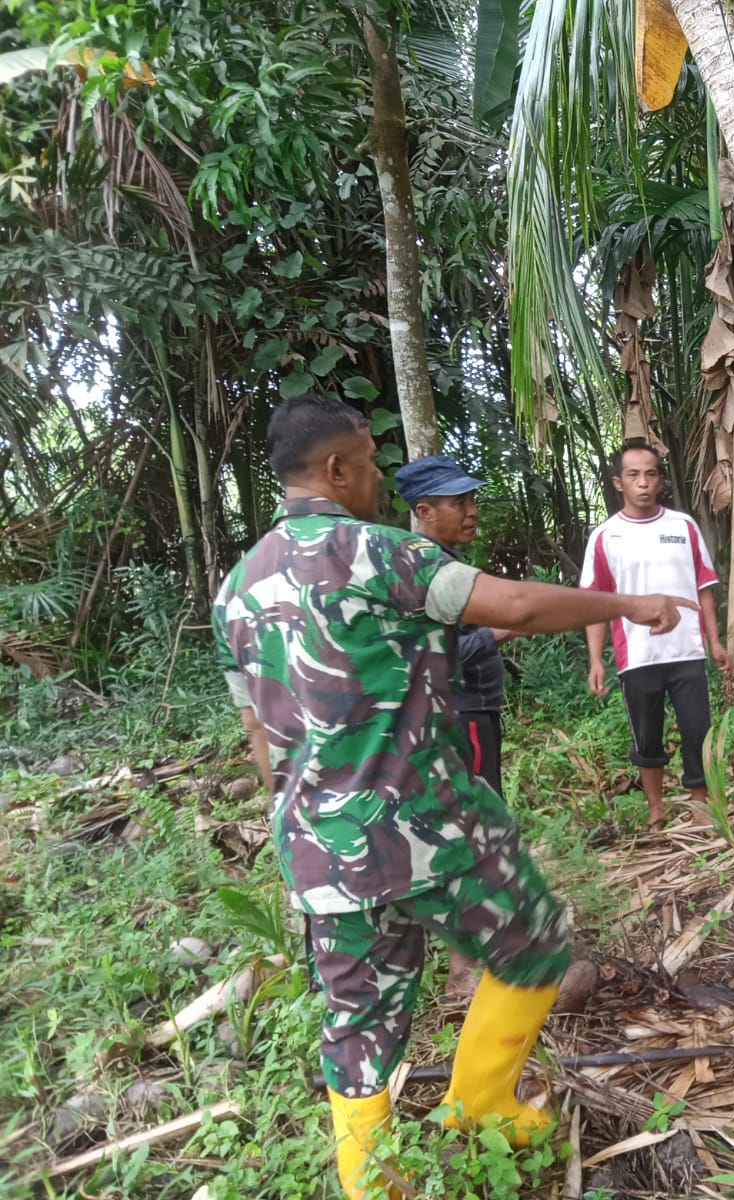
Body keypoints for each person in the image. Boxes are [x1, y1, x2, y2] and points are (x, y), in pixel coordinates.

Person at [213, 396, 695, 1199]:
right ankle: (482, 1105)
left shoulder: (236, 588)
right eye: (369, 465)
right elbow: (514, 605)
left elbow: (260, 737)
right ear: (335, 470)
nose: (376, 480)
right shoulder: (376, 551)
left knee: (359, 1020)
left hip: (315, 843)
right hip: (422, 824)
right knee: (536, 938)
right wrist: (629, 605)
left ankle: (371, 1183)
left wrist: (302, 827)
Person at [394, 454, 511, 1003]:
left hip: (475, 711)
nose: (471, 512)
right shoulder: (428, 570)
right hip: (461, 712)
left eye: (471, 500)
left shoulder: (440, 562)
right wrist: (503, 631)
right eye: (457, 503)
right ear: (424, 511)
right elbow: (439, 653)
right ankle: (466, 966)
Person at [581, 443, 728, 828]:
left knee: (698, 729)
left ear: (660, 479)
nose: (643, 483)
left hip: (688, 652)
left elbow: (705, 588)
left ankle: (700, 805)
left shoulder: (683, 527)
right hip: (638, 657)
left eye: (651, 474)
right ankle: (656, 810)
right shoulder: (605, 536)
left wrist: (715, 642)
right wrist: (596, 660)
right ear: (618, 483)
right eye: (633, 475)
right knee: (647, 736)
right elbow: (595, 603)